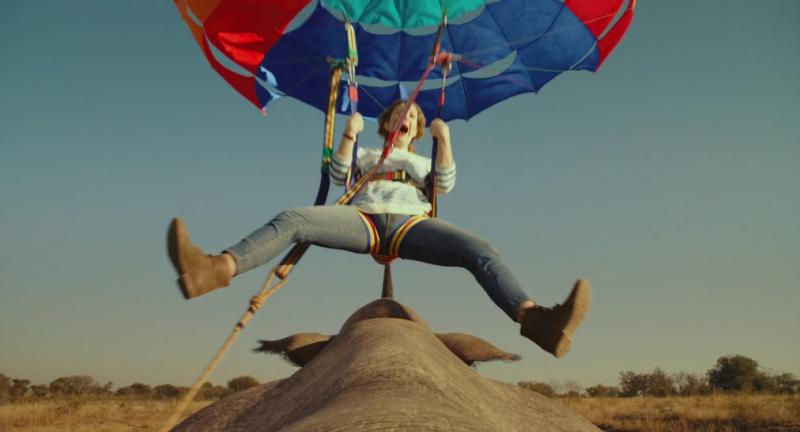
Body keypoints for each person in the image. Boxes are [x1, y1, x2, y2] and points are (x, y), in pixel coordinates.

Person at [168, 100, 590, 357]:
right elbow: (339, 175)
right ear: (386, 123)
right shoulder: (367, 154)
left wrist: (445, 139)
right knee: (294, 218)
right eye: (398, 113)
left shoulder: (422, 160)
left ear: (417, 130)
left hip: (412, 223)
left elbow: (444, 183)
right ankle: (215, 269)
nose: (407, 116)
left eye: (414, 115)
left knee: (479, 248)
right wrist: (349, 135)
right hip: (363, 220)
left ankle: (536, 321)